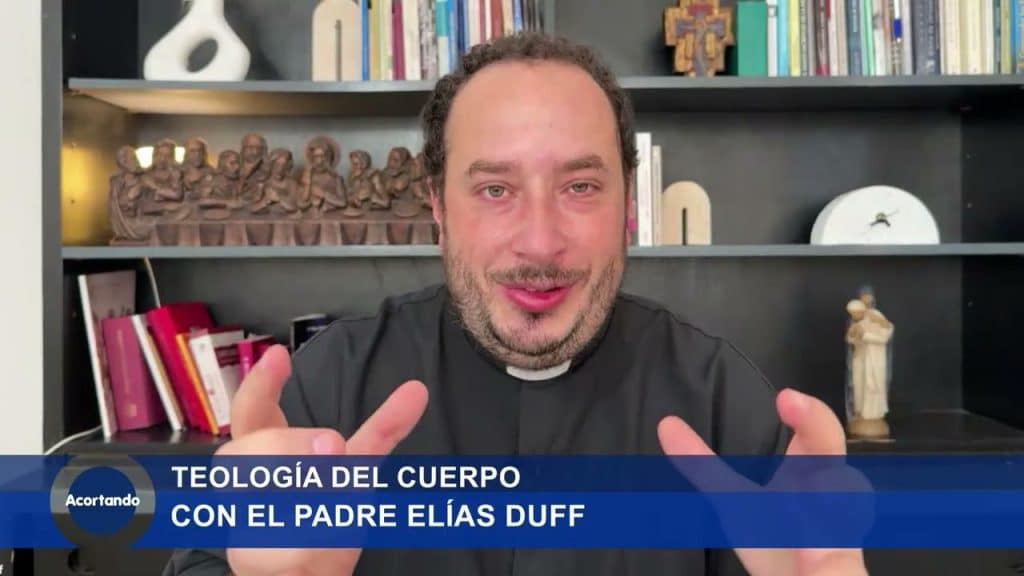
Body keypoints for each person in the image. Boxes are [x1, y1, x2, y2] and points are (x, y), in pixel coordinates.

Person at [164, 32, 866, 576]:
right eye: (495, 189)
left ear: (628, 206)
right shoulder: (329, 386)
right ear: (439, 208)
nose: (539, 241)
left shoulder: (720, 398)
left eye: (580, 187)